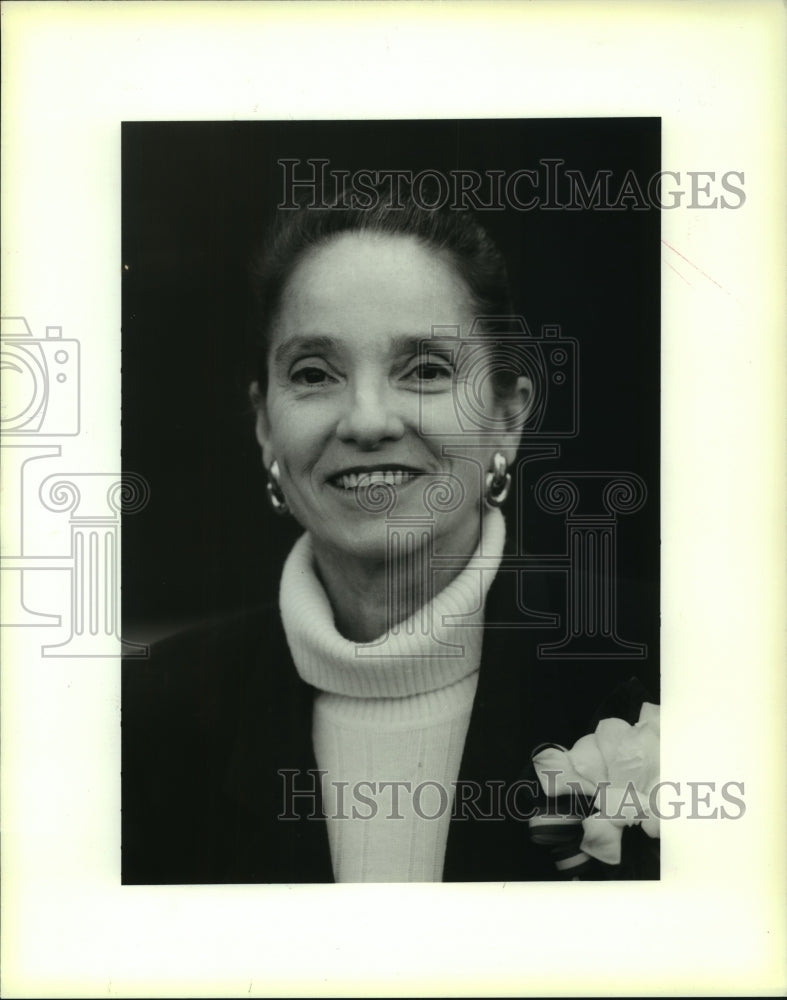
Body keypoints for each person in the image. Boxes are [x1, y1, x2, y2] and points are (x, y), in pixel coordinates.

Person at [122, 179, 659, 884]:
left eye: (426, 370)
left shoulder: (667, 662)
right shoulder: (148, 721)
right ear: (263, 424)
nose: (367, 420)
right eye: (314, 373)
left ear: (507, 414)